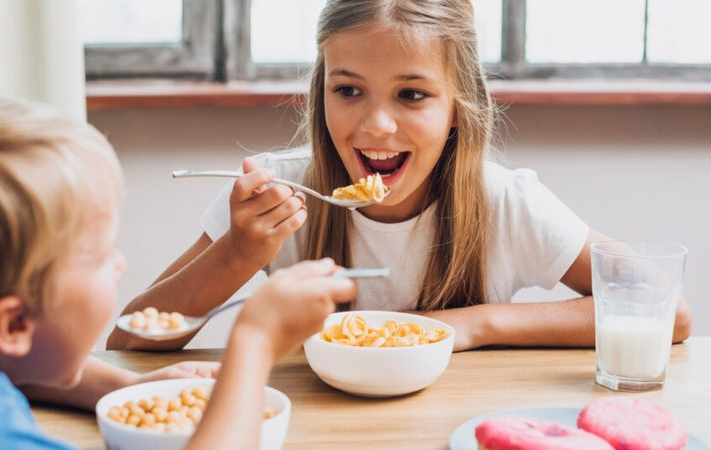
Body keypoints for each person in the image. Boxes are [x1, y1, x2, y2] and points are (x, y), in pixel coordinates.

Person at [108, 0, 692, 354]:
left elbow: (665, 310)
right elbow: (128, 342)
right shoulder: (275, 190)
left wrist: (471, 326)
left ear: (458, 105)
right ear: (322, 91)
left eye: (412, 94)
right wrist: (237, 254)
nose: (377, 125)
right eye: (349, 90)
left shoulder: (503, 203)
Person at [0, 90, 357, 449]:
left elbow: (6, 364)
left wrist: (122, 387)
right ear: (12, 323)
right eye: (102, 254)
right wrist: (254, 344)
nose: (121, 262)